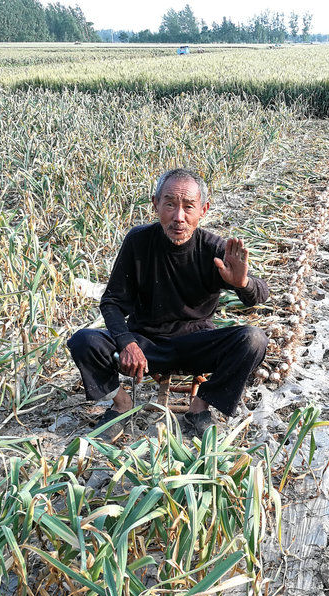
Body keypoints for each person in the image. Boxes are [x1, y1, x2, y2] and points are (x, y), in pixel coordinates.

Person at [66, 168, 270, 440]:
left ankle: (199, 408)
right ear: (155, 204)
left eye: (188, 206)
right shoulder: (138, 242)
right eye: (170, 204)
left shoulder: (213, 248)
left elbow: (260, 295)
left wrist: (242, 283)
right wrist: (127, 342)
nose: (179, 217)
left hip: (197, 343)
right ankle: (122, 404)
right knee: (83, 341)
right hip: (146, 343)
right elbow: (113, 302)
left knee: (254, 339)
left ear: (203, 210)